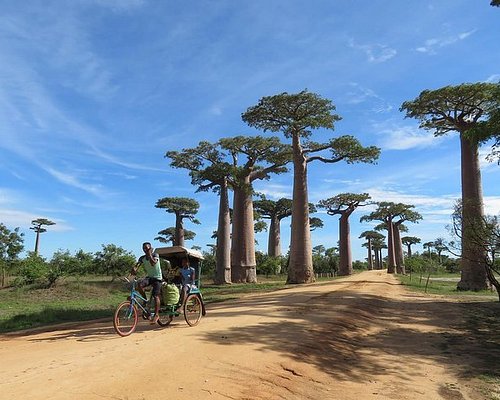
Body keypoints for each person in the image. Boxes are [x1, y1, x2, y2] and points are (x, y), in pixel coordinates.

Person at [131, 242, 162, 324]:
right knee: (139, 285)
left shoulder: (155, 255)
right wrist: (134, 269)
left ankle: (156, 314)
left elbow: (153, 263)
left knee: (155, 295)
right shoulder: (142, 258)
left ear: (151, 248)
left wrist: (149, 254)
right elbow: (137, 266)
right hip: (150, 277)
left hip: (157, 278)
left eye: (147, 248)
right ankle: (145, 300)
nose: (145, 250)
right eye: (144, 248)